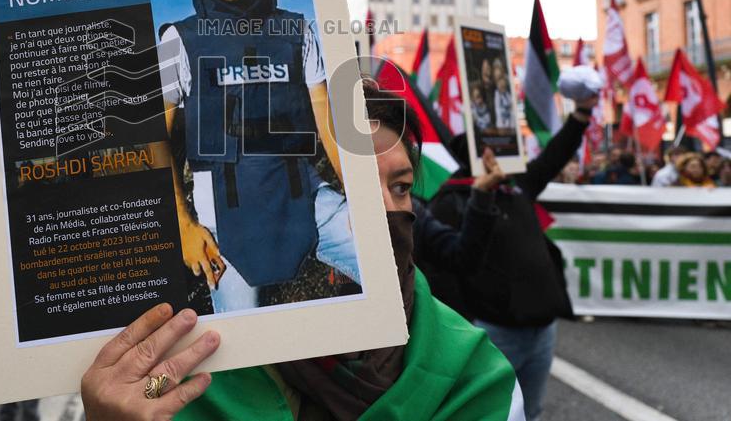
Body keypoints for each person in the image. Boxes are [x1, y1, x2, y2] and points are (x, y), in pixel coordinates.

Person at [79, 80, 523, 420]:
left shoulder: (476, 375)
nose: (385, 209)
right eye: (358, 183)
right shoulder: (186, 374)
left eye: (402, 187)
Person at [157, 0, 358, 312]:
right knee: (241, 346)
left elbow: (329, 127)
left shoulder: (296, 29)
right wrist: (182, 227)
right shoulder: (176, 40)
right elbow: (155, 141)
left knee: (389, 265)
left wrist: (361, 202)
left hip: (307, 198)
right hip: (223, 219)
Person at [427, 97, 596, 420]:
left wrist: (581, 115)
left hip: (542, 330)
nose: (506, 153)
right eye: (495, 148)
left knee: (529, 412)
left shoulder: (518, 185)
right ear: (478, 156)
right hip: (495, 332)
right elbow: (443, 269)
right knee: (491, 413)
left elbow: (553, 156)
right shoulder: (453, 200)